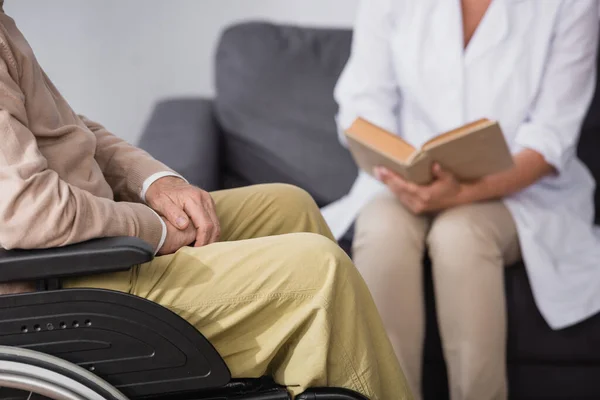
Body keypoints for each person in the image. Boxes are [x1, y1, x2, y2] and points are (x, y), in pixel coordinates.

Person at [0, 2, 413, 399]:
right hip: (66, 284)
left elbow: (71, 128)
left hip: (93, 250)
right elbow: (31, 213)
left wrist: (155, 183)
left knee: (289, 205)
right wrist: (154, 229)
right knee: (320, 272)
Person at [321, 0, 600, 399]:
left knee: (461, 235)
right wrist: (398, 171)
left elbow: (551, 136)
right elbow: (363, 103)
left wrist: (465, 192)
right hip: (405, 183)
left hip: (521, 191)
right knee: (381, 230)